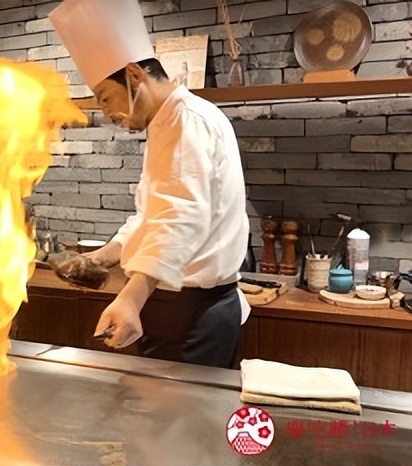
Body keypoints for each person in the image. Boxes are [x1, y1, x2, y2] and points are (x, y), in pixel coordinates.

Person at [50, 0, 250, 369]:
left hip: (193, 315)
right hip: (173, 307)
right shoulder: (165, 122)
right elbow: (152, 214)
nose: (108, 114)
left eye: (106, 98)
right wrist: (103, 255)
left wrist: (131, 296)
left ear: (134, 75)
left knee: (178, 424)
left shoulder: (187, 120)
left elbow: (180, 216)